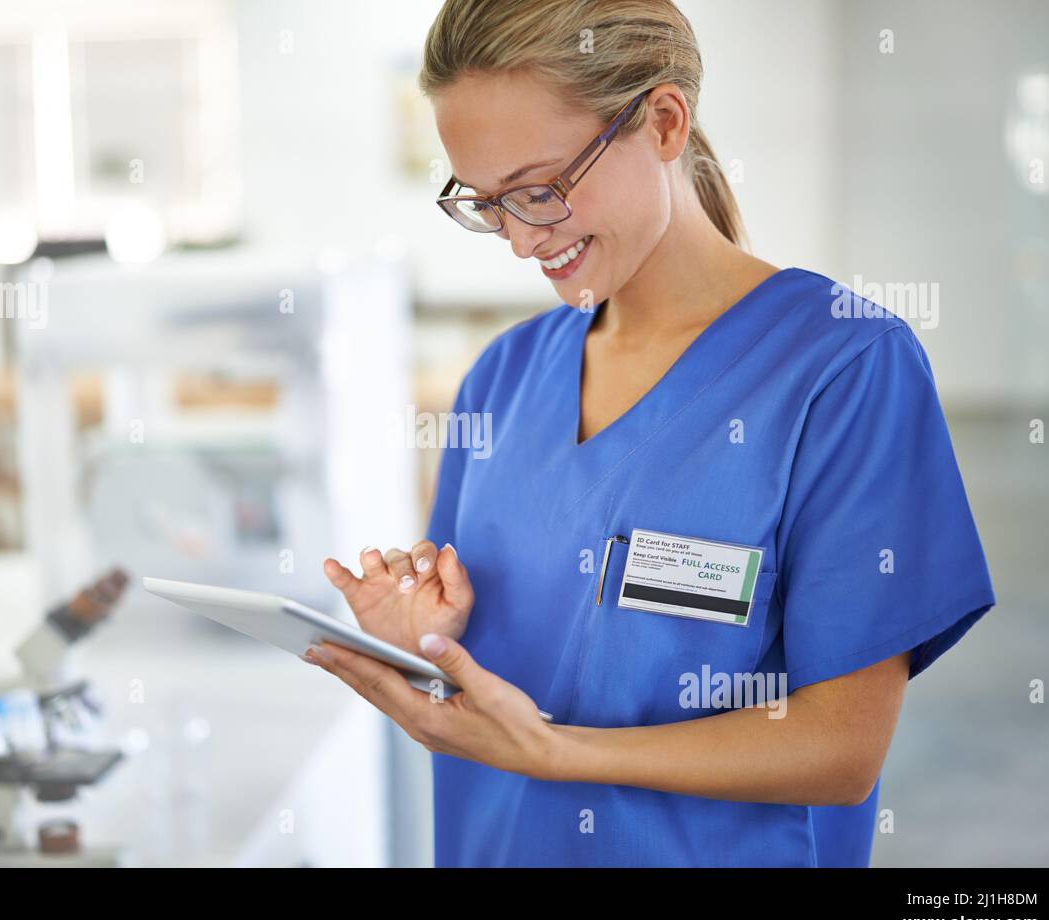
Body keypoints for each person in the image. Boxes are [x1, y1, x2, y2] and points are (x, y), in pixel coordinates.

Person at [311, 0, 996, 866]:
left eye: (540, 189)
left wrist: (563, 753)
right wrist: (422, 645)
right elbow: (507, 679)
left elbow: (842, 746)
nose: (522, 241)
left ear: (664, 121)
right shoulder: (504, 377)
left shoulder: (844, 370)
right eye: (487, 203)